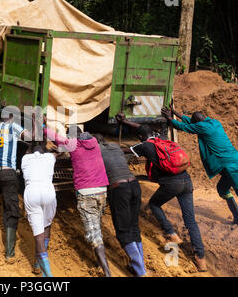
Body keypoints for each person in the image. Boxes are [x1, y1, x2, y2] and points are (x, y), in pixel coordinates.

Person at [116, 112, 207, 272]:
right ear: (154, 134)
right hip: (186, 181)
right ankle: (201, 259)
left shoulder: (145, 146)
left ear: (140, 137)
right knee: (191, 220)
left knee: (154, 204)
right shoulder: (163, 141)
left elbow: (125, 152)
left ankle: (171, 233)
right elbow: (144, 129)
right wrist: (126, 122)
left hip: (171, 184)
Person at [44, 117, 112, 277]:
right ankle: (99, 262)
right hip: (102, 190)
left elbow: (53, 136)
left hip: (86, 192)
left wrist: (43, 125)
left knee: (94, 234)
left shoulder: (72, 145)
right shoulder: (94, 143)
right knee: (97, 225)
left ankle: (107, 272)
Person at [162, 106, 238, 227]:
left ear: (197, 122)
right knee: (222, 189)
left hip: (229, 165)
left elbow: (183, 126)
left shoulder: (201, 127)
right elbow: (191, 122)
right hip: (236, 160)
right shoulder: (214, 122)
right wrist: (176, 113)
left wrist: (170, 118)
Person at [94, 133, 147, 277]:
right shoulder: (115, 146)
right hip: (134, 185)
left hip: (119, 189)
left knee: (122, 230)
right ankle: (138, 265)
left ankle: (141, 272)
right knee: (134, 226)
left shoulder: (95, 150)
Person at [0, 111, 32, 264]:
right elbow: (29, 136)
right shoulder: (13, 127)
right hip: (9, 173)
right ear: (12, 118)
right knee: (11, 211)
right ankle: (9, 254)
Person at [21, 143, 57, 277]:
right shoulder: (49, 158)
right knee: (46, 225)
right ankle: (37, 264)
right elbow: (58, 151)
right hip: (48, 191)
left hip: (32, 192)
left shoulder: (25, 159)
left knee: (38, 235)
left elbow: (27, 152)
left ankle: (47, 274)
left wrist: (30, 146)